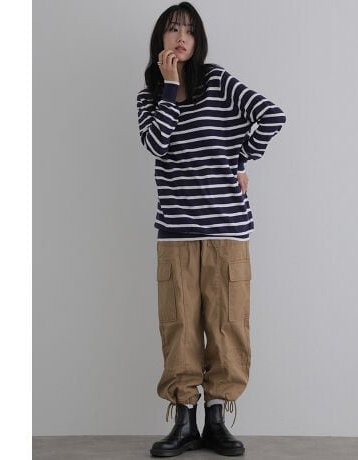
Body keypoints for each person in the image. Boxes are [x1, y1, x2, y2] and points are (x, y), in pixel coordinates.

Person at [136, 2, 286, 457]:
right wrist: (169, 87)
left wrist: (240, 159)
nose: (181, 37)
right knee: (179, 326)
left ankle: (217, 420)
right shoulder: (150, 95)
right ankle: (184, 423)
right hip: (176, 233)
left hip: (226, 230)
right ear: (160, 39)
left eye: (189, 30)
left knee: (226, 326)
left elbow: (271, 116)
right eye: (172, 29)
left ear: (198, 40)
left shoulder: (218, 82)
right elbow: (157, 145)